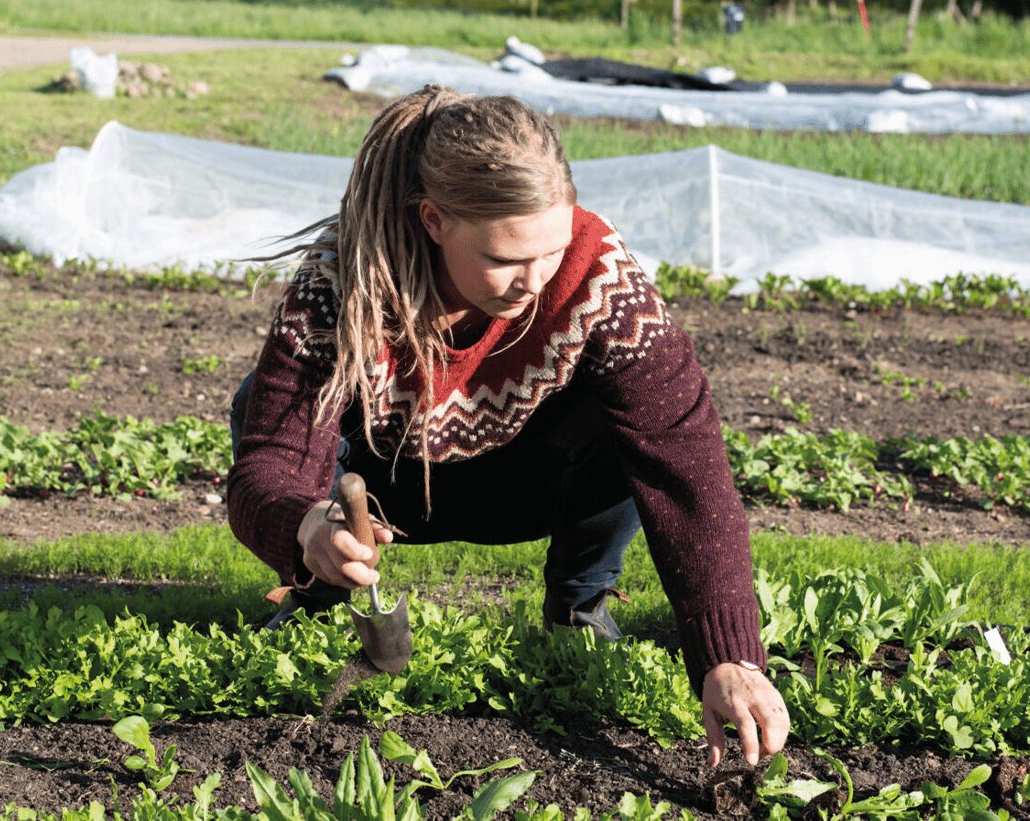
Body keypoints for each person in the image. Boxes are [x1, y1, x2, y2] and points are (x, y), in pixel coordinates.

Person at [227, 85, 788, 768]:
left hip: (532, 484)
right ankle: (318, 591)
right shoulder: (342, 280)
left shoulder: (599, 277)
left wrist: (730, 657)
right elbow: (269, 465)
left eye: (548, 251)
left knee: (633, 429)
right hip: (387, 489)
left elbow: (687, 467)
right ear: (434, 220)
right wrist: (305, 526)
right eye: (504, 259)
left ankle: (579, 608)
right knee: (261, 401)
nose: (533, 280)